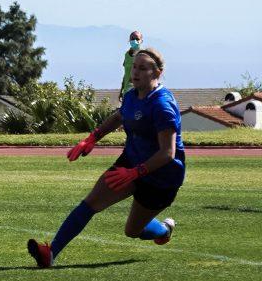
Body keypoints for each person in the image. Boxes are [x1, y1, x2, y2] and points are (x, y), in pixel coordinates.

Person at [28, 47, 183, 268]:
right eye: (135, 67)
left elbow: (168, 153)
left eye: (143, 68)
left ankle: (165, 230)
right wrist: (92, 138)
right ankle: (50, 253)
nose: (136, 72)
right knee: (91, 202)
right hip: (130, 162)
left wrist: (135, 172)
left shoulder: (162, 105)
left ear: (157, 73)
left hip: (162, 176)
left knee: (132, 231)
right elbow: (119, 116)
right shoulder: (131, 96)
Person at [119, 30, 142, 102]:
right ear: (129, 40)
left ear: (141, 41)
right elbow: (126, 74)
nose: (134, 41)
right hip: (126, 92)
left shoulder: (143, 56)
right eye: (132, 39)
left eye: (137, 39)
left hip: (138, 92)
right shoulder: (127, 55)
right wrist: (121, 90)